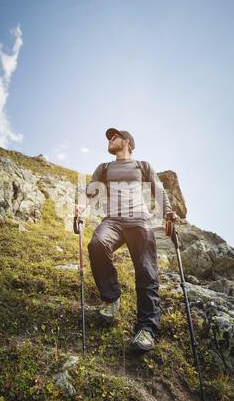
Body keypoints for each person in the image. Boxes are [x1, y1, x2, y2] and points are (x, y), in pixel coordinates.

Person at [75, 128, 179, 351]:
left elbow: (158, 190)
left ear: (128, 142)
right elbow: (89, 190)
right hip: (113, 219)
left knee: (146, 271)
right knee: (97, 243)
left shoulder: (143, 165)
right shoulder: (104, 168)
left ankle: (146, 329)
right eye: (109, 138)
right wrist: (81, 205)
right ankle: (112, 299)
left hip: (140, 220)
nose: (110, 140)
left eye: (115, 137)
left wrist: (168, 212)